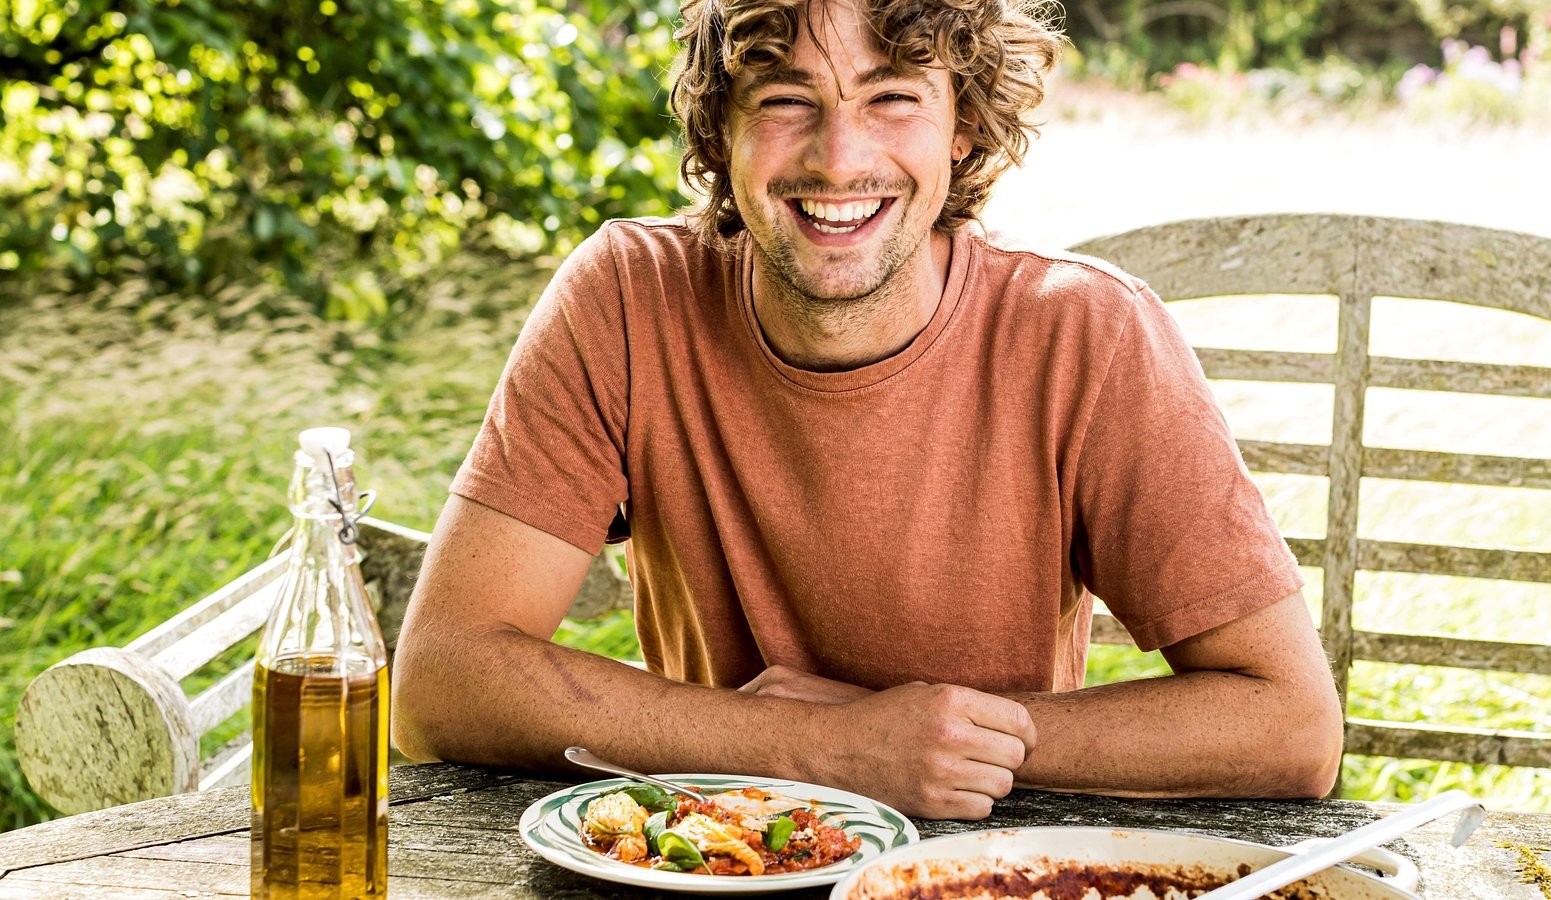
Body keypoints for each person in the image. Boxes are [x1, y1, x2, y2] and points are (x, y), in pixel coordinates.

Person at [391, 0, 1342, 820]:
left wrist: (930, 743)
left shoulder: (1086, 332)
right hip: (723, 856)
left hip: (993, 859)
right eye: (785, 99)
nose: (839, 158)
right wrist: (817, 749)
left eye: (892, 97)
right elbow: (440, 680)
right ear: (720, 129)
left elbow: (1291, 725)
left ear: (963, 123)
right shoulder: (627, 299)